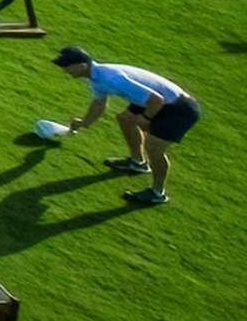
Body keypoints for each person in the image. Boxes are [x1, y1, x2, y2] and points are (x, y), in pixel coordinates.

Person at [59, 46, 200, 206]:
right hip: (154, 100)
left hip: (178, 108)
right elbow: (99, 104)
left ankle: (157, 193)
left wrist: (146, 119)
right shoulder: (95, 76)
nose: (65, 70)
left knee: (153, 147)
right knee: (125, 119)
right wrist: (84, 122)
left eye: (67, 66)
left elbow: (156, 101)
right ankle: (137, 163)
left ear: (82, 66)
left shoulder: (111, 78)